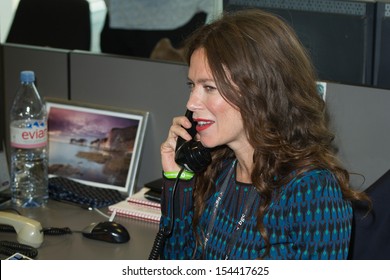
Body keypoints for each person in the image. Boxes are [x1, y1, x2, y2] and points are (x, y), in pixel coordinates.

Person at [159, 9, 368, 260]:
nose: (192, 103)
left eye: (209, 87)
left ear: (259, 92)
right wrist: (178, 179)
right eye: (192, 86)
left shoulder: (311, 192)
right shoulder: (219, 169)